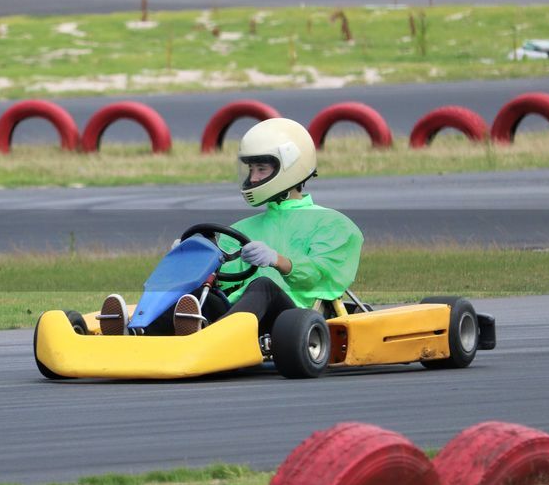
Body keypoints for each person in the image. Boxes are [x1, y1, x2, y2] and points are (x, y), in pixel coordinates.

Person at [97, 117, 363, 345]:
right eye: (251, 169)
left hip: (293, 319)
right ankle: (137, 333)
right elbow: (223, 281)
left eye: (262, 169)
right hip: (238, 317)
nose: (253, 178)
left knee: (263, 286)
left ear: (290, 167)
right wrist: (189, 261)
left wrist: (279, 261)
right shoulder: (240, 229)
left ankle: (208, 339)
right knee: (202, 294)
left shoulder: (334, 224)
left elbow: (325, 276)